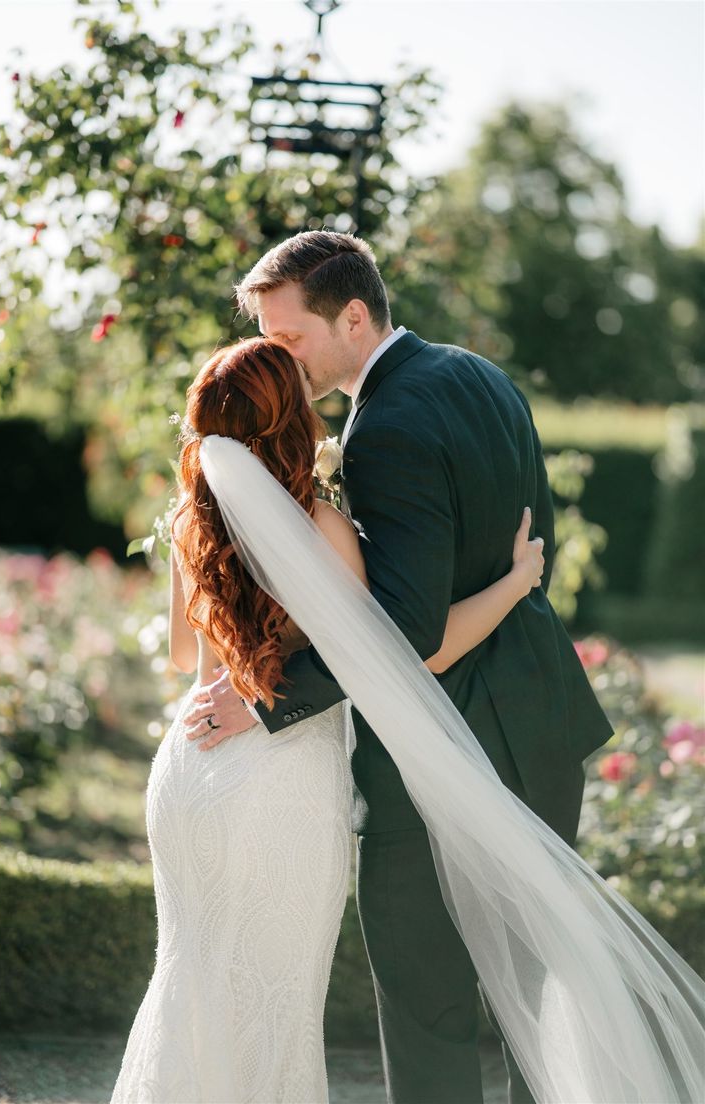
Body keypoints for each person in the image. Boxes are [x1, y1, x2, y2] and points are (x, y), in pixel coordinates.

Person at [183, 230, 615, 1103]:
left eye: (290, 337)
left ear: (352, 315)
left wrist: (271, 704)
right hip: (540, 724)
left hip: (438, 750)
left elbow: (404, 633)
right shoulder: (481, 377)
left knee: (428, 1007)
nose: (279, 355)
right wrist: (520, 583)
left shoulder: (384, 427)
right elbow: (532, 548)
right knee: (534, 999)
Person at [110, 337, 548, 1104]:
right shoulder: (326, 529)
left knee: (191, 972)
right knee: (274, 998)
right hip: (280, 779)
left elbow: (187, 655)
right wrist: (514, 585)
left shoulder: (188, 523)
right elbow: (396, 659)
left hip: (190, 766)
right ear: (292, 423)